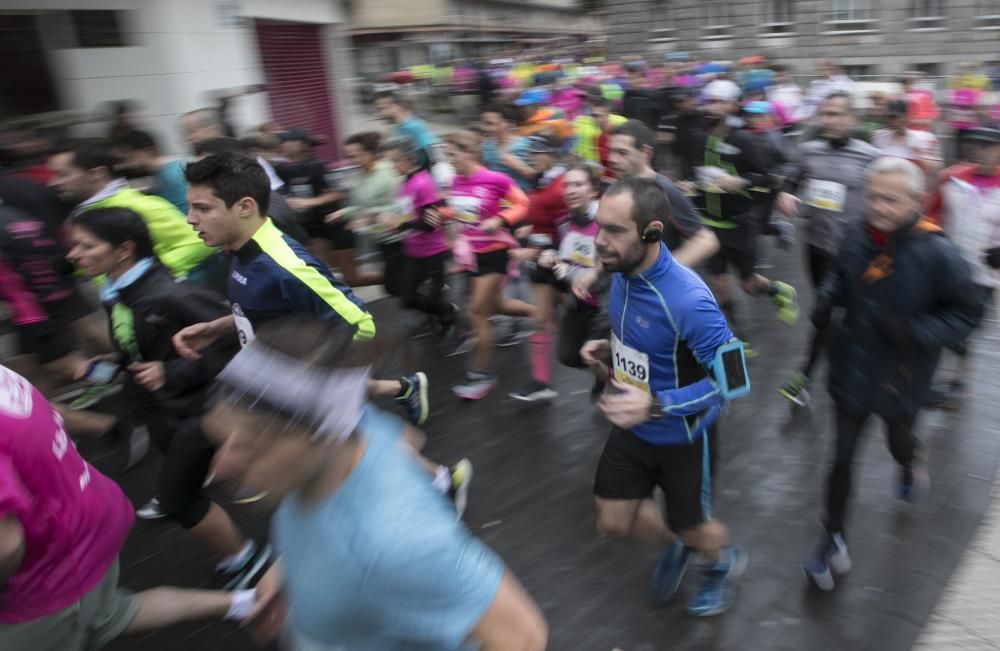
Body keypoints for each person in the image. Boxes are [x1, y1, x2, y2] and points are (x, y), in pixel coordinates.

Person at [202, 317, 548, 650]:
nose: (221, 467)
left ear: (317, 437)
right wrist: (290, 573)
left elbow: (523, 638)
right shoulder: (356, 432)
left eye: (250, 446)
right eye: (223, 440)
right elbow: (406, 439)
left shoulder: (397, 549)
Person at [803, 157, 983, 591]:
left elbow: (969, 311)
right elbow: (840, 278)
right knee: (841, 459)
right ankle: (833, 542)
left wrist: (917, 332)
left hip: (900, 374)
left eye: (890, 199)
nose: (878, 207)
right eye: (872, 197)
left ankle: (910, 462)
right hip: (851, 368)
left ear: (916, 201)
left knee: (897, 440)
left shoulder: (937, 252)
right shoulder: (854, 234)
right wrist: (827, 299)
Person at [67, 206, 272, 589]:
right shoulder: (117, 291)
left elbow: (236, 342)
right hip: (165, 409)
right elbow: (144, 344)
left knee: (179, 498)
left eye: (86, 245)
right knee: (185, 483)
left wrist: (171, 371)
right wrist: (114, 360)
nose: (73, 255)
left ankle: (245, 560)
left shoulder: (171, 293)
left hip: (200, 410)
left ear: (124, 249)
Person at [580, 176, 748, 616]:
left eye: (614, 231)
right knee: (612, 522)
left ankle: (721, 561)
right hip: (631, 424)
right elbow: (648, 338)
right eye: (599, 227)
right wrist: (609, 349)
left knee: (694, 528)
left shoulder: (692, 299)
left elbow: (735, 382)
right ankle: (676, 544)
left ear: (653, 232)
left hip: (685, 437)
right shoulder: (622, 272)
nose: (600, 242)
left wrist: (656, 405)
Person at [0, 365, 257, 651]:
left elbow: (8, 547)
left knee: (92, 615)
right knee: (111, 615)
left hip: (51, 561)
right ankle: (242, 604)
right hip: (86, 508)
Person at [174, 152, 430, 427]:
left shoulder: (285, 267)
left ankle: (434, 470)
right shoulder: (237, 248)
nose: (190, 219)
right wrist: (219, 327)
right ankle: (404, 389)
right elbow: (269, 311)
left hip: (310, 397)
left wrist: (313, 378)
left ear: (245, 207)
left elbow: (360, 324)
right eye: (190, 207)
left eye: (202, 208)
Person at [776, 92, 880, 407]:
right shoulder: (809, 150)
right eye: (825, 114)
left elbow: (887, 198)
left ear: (853, 118)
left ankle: (805, 376)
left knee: (826, 310)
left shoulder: (870, 156)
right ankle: (845, 361)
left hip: (853, 251)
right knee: (830, 312)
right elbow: (790, 180)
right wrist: (785, 195)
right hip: (817, 247)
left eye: (837, 114)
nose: (830, 121)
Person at [689, 80, 799, 337]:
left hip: (739, 224)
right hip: (710, 224)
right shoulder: (700, 137)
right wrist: (690, 186)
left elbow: (768, 178)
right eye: (710, 101)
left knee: (748, 284)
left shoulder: (744, 139)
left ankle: (779, 291)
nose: (712, 107)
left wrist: (742, 181)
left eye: (719, 101)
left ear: (733, 105)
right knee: (719, 283)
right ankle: (739, 334)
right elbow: (698, 173)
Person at [47, 138, 218, 284]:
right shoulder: (82, 213)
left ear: (96, 174)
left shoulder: (140, 205)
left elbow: (198, 242)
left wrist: (140, 275)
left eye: (62, 174)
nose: (53, 182)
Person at [443, 130, 533, 400]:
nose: (449, 160)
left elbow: (523, 203)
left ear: (468, 152)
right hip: (471, 254)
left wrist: (502, 220)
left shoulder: (495, 178)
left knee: (476, 314)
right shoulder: (456, 181)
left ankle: (482, 376)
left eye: (452, 154)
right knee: (498, 306)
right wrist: (442, 213)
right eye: (447, 155)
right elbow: (458, 212)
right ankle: (543, 315)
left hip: (494, 253)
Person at [510, 162, 603, 402]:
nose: (570, 190)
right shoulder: (563, 222)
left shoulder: (606, 220)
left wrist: (575, 270)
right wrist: (549, 255)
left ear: (593, 190)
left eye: (578, 185)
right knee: (569, 355)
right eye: (567, 185)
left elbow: (613, 264)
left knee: (613, 352)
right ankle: (605, 374)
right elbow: (561, 252)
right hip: (579, 299)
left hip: (607, 301)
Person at [923, 126, 1000, 408]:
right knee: (937, 322)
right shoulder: (951, 178)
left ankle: (959, 382)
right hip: (945, 269)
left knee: (964, 329)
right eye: (975, 144)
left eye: (987, 145)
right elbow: (930, 216)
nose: (979, 150)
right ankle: (934, 380)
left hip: (984, 276)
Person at [606, 119, 718, 266]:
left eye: (622, 153)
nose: (612, 159)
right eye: (611, 151)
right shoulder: (618, 186)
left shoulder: (662, 188)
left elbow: (706, 240)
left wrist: (666, 272)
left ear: (646, 152)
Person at [379, 136, 458, 333]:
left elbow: (431, 224)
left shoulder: (422, 183)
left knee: (424, 296)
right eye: (390, 161)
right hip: (411, 251)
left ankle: (452, 323)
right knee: (407, 298)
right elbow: (407, 216)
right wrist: (391, 221)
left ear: (407, 159)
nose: (392, 166)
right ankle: (444, 313)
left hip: (431, 252)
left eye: (394, 161)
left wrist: (399, 224)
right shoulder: (403, 185)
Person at [324, 131, 399, 289]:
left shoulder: (389, 172)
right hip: (382, 237)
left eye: (355, 155)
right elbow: (361, 206)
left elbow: (400, 204)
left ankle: (443, 307)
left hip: (400, 236)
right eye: (349, 156)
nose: (352, 160)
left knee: (396, 285)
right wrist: (343, 213)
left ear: (371, 153)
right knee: (395, 285)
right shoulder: (359, 175)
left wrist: (369, 216)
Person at [273, 129, 346, 281]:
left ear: (300, 144)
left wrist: (310, 202)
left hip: (325, 222)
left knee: (332, 269)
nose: (282, 145)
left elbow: (337, 192)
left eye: (286, 141)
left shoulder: (318, 166)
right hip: (302, 226)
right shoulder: (281, 169)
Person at [111, 129, 189, 213]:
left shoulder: (172, 175)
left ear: (145, 151)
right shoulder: (166, 171)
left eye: (126, 157)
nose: (122, 164)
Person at [871, 99, 943, 177]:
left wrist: (917, 151)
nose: (893, 121)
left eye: (896, 117)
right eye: (890, 117)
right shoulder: (879, 137)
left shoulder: (926, 137)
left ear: (907, 117)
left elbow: (937, 169)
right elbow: (874, 164)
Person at [481, 104, 536, 192]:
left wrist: (519, 166)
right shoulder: (486, 146)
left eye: (490, 124)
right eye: (484, 123)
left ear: (505, 124)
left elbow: (537, 177)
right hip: (496, 196)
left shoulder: (526, 145)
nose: (485, 128)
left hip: (522, 197)